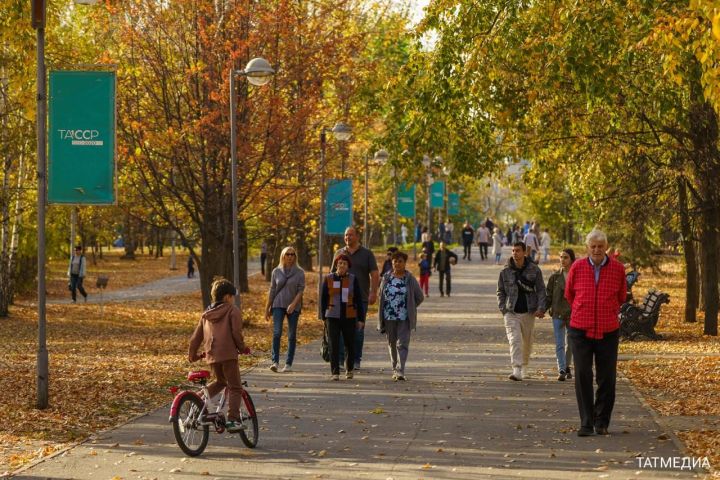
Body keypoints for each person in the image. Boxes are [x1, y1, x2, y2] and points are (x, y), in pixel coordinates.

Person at [565, 230, 626, 437]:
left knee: (606, 377)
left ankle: (602, 422)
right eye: (593, 246)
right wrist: (583, 310)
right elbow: (569, 294)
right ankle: (586, 422)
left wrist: (606, 311)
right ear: (587, 248)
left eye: (600, 246)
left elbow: (621, 297)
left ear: (606, 247)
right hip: (580, 330)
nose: (597, 250)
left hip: (608, 330)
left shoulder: (617, 269)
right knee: (582, 374)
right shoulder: (577, 266)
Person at [188, 278, 249, 432]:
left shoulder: (206, 314)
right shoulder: (232, 310)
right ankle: (233, 420)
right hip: (228, 354)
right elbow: (236, 332)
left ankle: (197, 399)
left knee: (221, 382)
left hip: (212, 355)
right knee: (235, 387)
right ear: (227, 297)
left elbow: (196, 338)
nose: (233, 299)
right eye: (233, 296)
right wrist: (242, 348)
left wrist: (193, 355)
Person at [496, 242, 546, 381]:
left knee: (527, 341)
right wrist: (503, 309)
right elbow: (500, 291)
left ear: (524, 252)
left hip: (529, 312)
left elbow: (541, 290)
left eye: (517, 250)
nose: (514, 253)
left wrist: (541, 308)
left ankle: (524, 367)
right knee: (515, 340)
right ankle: (516, 369)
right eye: (513, 250)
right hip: (511, 312)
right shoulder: (505, 271)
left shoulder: (534, 270)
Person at [333, 226, 380, 371]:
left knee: (358, 329)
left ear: (357, 237)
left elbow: (374, 274)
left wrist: (373, 292)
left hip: (361, 298)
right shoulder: (339, 253)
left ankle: (355, 359)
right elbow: (332, 275)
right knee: (340, 330)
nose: (348, 238)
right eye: (346, 235)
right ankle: (340, 360)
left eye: (351, 235)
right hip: (341, 299)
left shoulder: (366, 254)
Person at [378, 251, 424, 381]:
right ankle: (394, 368)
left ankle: (400, 370)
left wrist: (410, 306)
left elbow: (419, 296)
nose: (397, 263)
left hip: (404, 317)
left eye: (400, 261)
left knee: (402, 343)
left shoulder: (409, 279)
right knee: (392, 343)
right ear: (391, 263)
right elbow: (380, 295)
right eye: (395, 261)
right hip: (388, 316)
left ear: (405, 263)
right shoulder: (386, 278)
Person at [321, 254, 365, 381]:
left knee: (349, 344)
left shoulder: (352, 279)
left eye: (344, 264)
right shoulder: (329, 278)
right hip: (332, 316)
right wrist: (323, 317)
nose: (342, 265)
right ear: (336, 265)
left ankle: (349, 369)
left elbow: (358, 299)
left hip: (349, 316)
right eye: (340, 263)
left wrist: (361, 319)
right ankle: (335, 372)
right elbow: (323, 298)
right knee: (333, 344)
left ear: (348, 267)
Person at [265, 246, 305, 373]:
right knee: (277, 333)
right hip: (278, 304)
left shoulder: (300, 272)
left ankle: (288, 364)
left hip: (294, 306)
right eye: (287, 254)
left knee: (292, 335)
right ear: (283, 256)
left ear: (295, 257)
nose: (290, 256)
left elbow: (300, 290)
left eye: (292, 254)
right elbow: (272, 290)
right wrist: (267, 308)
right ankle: (275, 362)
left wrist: (293, 304)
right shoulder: (276, 271)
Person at [545, 248, 575, 381]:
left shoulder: (578, 276)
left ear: (572, 260)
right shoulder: (555, 277)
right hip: (557, 313)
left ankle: (567, 365)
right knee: (559, 344)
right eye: (561, 257)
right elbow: (548, 295)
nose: (562, 260)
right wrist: (542, 309)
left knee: (571, 343)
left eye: (566, 257)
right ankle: (562, 369)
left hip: (573, 314)